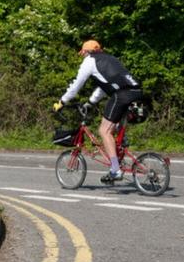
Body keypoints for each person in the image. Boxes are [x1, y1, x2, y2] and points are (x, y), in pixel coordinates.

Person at [53, 40, 142, 183]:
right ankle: (120, 150)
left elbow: (77, 84)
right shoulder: (110, 58)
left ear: (86, 52)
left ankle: (115, 169)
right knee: (113, 129)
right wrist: (90, 102)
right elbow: (104, 86)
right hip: (136, 92)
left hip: (122, 94)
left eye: (83, 54)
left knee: (104, 131)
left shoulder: (90, 61)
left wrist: (62, 101)